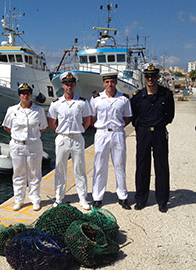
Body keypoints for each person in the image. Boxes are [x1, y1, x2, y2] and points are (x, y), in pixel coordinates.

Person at [130, 62, 175, 213]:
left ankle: (162, 201)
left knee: (161, 167)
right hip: (143, 133)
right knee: (142, 166)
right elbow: (134, 116)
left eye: (153, 76)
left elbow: (170, 116)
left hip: (159, 133)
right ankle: (141, 199)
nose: (151, 79)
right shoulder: (138, 96)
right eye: (148, 76)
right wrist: (141, 128)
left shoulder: (166, 95)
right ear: (144, 77)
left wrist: (159, 125)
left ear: (158, 77)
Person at [47, 72, 92, 210]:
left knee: (79, 169)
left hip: (78, 138)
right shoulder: (56, 103)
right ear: (63, 85)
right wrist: (58, 131)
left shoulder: (82, 102)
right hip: (62, 138)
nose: (69, 86)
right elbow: (51, 120)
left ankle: (83, 198)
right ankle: (59, 198)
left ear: (75, 85)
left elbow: (88, 120)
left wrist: (79, 130)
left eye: (72, 84)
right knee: (60, 169)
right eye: (67, 84)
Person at [90, 72, 132, 210]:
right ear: (103, 83)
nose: (110, 84)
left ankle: (123, 196)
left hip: (118, 133)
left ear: (116, 82)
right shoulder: (96, 99)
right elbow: (91, 117)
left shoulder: (124, 99)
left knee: (120, 165)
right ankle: (97, 197)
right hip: (101, 134)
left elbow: (127, 118)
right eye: (107, 82)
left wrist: (116, 127)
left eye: (112, 81)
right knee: (100, 166)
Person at [3, 83, 48, 211]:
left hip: (34, 144)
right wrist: (17, 136)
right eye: (23, 93)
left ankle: (35, 199)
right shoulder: (12, 110)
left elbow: (43, 127)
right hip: (17, 145)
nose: (25, 95)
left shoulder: (38, 110)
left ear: (31, 94)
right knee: (18, 173)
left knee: (34, 173)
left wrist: (32, 137)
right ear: (19, 95)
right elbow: (7, 126)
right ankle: (19, 200)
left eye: (28, 93)